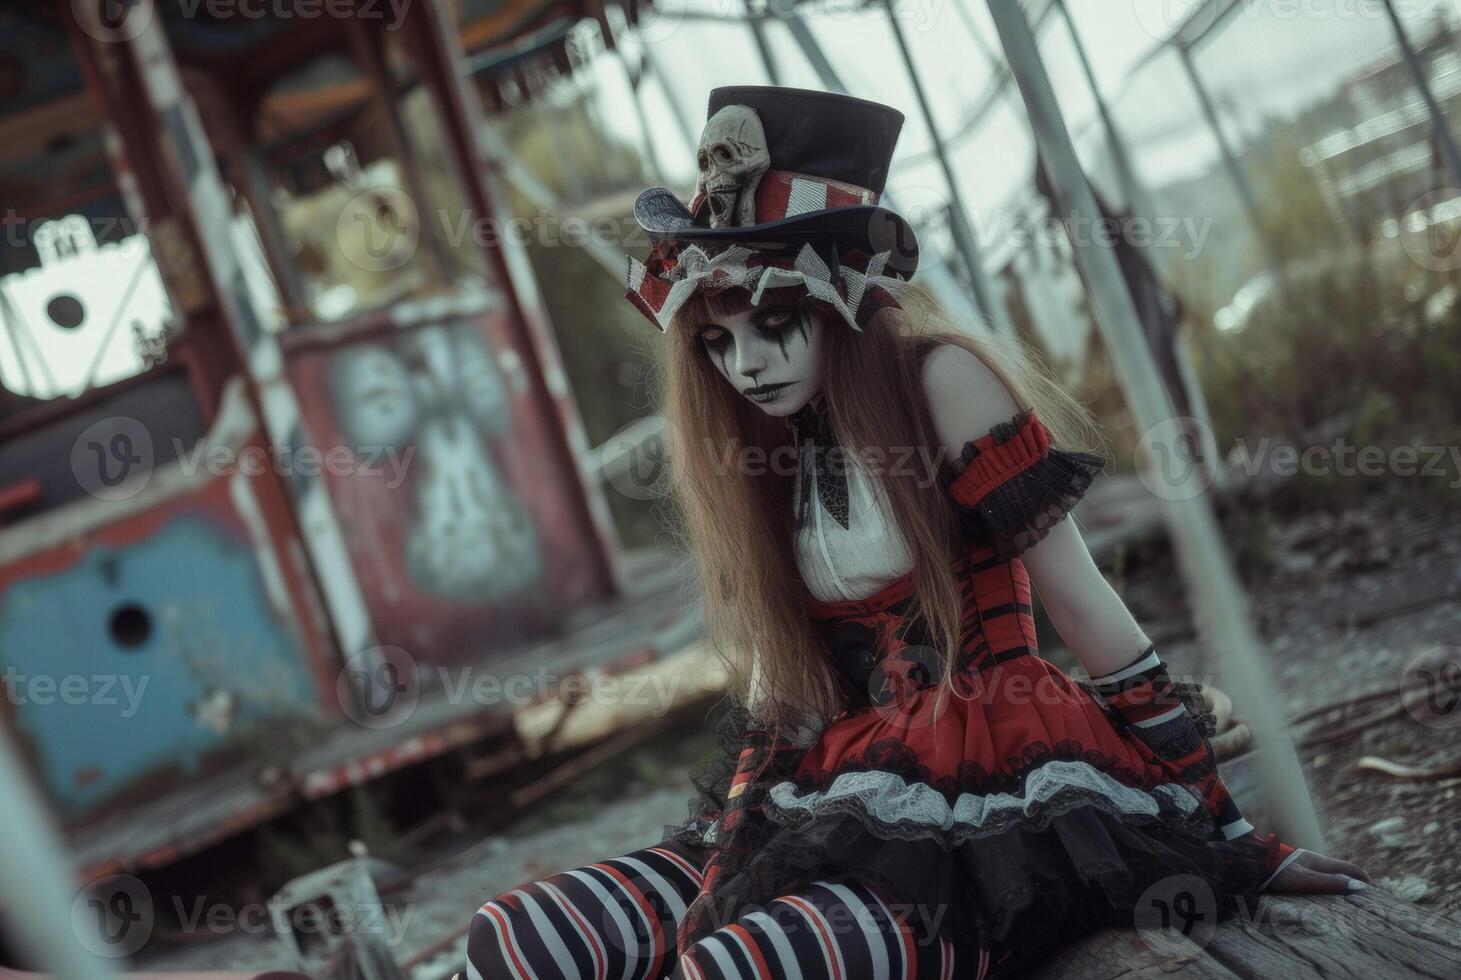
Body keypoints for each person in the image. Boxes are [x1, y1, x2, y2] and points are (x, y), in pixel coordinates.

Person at [462, 86, 1366, 980]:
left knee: (738, 969)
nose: (747, 364)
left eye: (776, 324)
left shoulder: (943, 384)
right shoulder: (768, 443)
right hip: (835, 776)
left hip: (999, 783)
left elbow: (1086, 607)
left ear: (841, 300)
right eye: (718, 341)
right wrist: (728, 856)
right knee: (518, 939)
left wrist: (1230, 832)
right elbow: (785, 699)